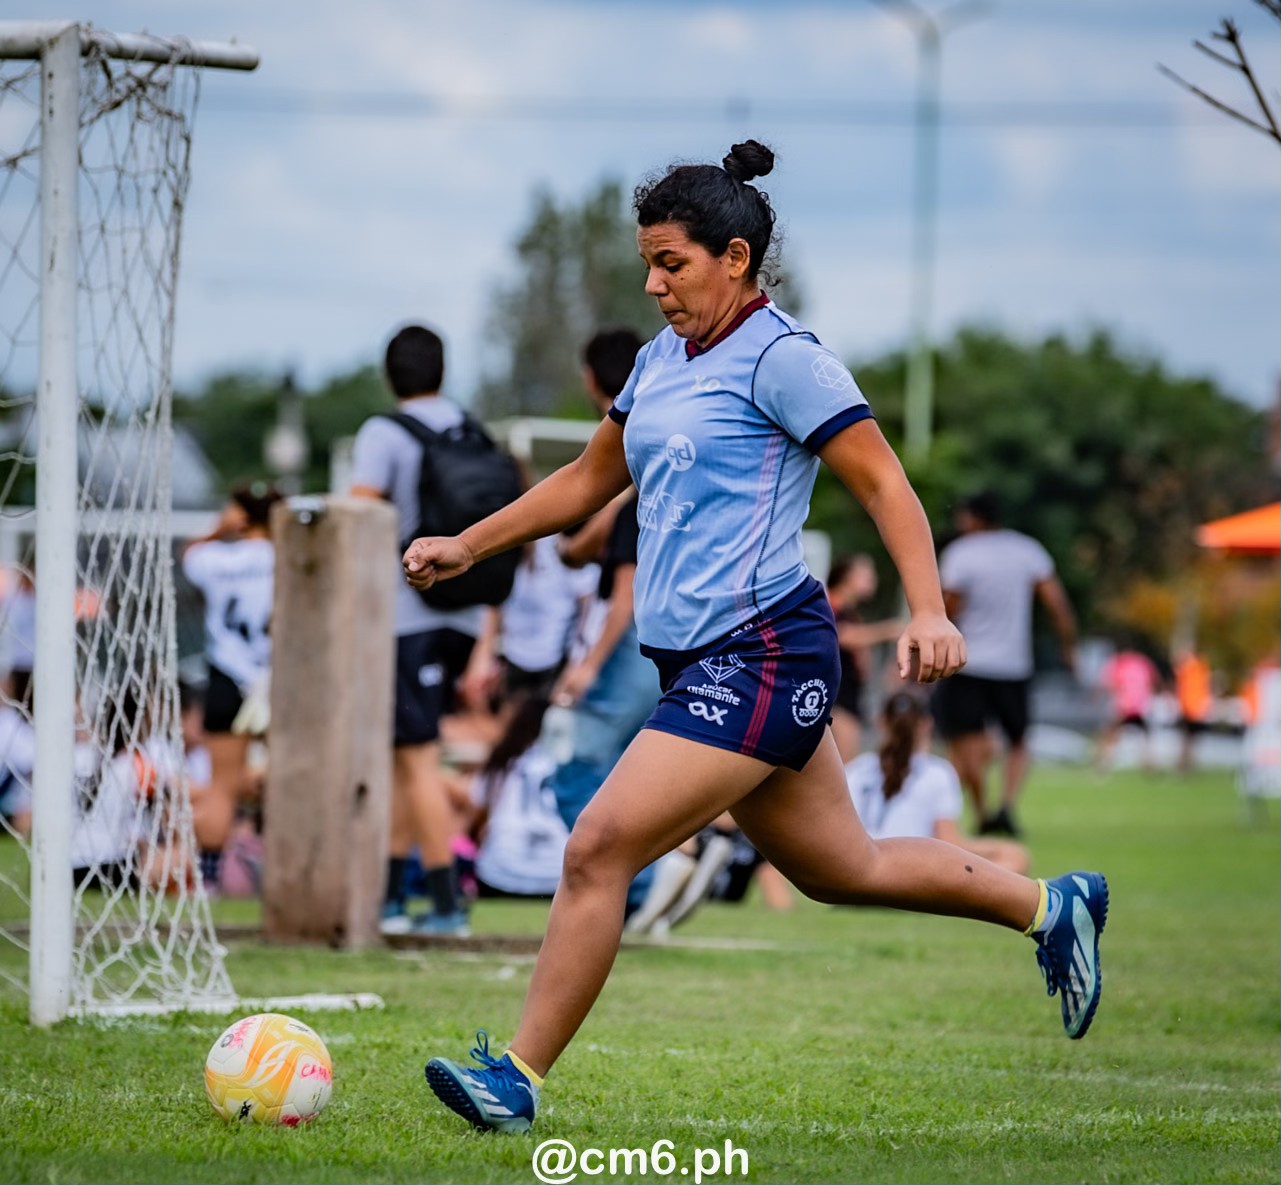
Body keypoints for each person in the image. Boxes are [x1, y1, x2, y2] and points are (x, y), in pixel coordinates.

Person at [408, 140, 1108, 1133]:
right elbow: (583, 484)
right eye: (648, 264)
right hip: (698, 662)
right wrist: (466, 546)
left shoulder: (785, 359)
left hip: (766, 652)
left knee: (599, 845)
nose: (654, 284)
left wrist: (929, 607)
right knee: (842, 869)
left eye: (673, 263)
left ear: (735, 258)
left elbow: (883, 482)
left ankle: (515, 1078)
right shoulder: (659, 361)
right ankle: (1050, 905)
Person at [349, 324, 492, 937]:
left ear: (391, 375)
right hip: (465, 614)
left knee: (415, 757)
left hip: (410, 617)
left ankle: (443, 904)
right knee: (404, 754)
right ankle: (388, 897)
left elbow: (356, 514)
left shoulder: (383, 433)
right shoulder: (470, 426)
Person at [931, 491, 1077, 838]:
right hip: (1015, 663)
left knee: (966, 741)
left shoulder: (961, 554)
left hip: (968, 663)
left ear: (971, 519)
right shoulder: (1027, 550)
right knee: (1018, 740)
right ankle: (1007, 806)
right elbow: (1056, 603)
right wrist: (1068, 644)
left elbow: (947, 609)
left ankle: (982, 811)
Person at [181, 481, 281, 888]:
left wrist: (219, 528)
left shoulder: (212, 558)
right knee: (294, 778)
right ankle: (287, 877)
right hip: (278, 676)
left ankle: (209, 882)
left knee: (221, 787)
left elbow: (189, 553)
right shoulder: (289, 553)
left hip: (226, 674)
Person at [847, 691, 1029, 874]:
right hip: (907, 873)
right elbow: (949, 844)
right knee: (1015, 856)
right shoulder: (937, 771)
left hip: (858, 871)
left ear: (880, 722)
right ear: (926, 725)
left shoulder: (856, 769)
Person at [826, 553, 903, 763]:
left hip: (850, 695)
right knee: (844, 765)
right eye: (866, 575)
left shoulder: (851, 612)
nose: (873, 580)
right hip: (836, 698)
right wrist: (889, 630)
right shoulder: (829, 604)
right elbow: (845, 635)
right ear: (846, 577)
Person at [1095, 638, 1163, 772]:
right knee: (1146, 737)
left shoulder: (1118, 663)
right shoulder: (1143, 662)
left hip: (1123, 705)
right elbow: (1156, 680)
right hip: (1141, 706)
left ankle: (1102, 765)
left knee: (1110, 736)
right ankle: (1150, 765)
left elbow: (1108, 683)